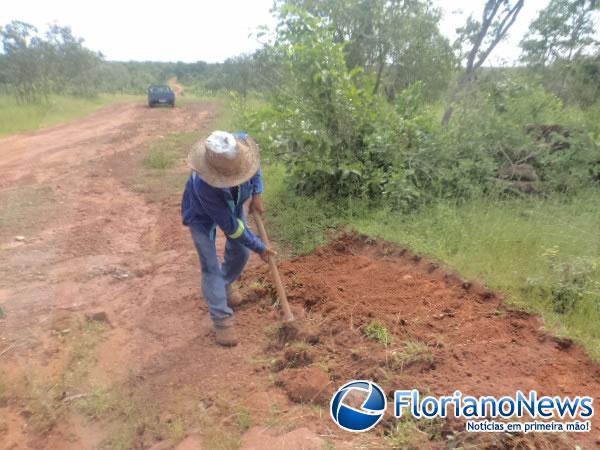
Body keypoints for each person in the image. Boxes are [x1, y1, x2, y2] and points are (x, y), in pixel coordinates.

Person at [181, 130, 274, 347]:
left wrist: (257, 194)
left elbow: (255, 167)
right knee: (210, 265)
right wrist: (259, 247)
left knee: (241, 253)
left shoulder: (242, 150)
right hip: (201, 216)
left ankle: (225, 284)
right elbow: (232, 228)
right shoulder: (204, 184)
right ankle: (221, 319)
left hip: (233, 204)